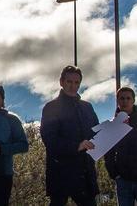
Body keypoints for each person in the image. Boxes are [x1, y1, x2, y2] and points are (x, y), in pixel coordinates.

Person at [40, 65, 100, 206]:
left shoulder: (87, 107)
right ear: (61, 82)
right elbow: (49, 139)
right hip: (61, 172)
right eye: (69, 82)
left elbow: (96, 132)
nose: (73, 86)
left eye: (76, 83)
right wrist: (76, 146)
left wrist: (116, 124)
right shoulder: (51, 107)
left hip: (85, 173)